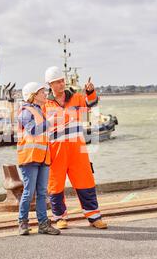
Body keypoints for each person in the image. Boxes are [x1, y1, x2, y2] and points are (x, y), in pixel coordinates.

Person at [42, 66, 108, 230]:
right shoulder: (45, 104)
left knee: (86, 182)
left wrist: (90, 92)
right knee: (55, 186)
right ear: (50, 84)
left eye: (62, 81)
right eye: (57, 82)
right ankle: (59, 218)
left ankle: (94, 217)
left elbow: (91, 103)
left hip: (77, 151)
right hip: (56, 152)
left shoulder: (77, 98)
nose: (61, 84)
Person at [17, 82, 61, 236]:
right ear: (33, 95)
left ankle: (43, 224)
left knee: (42, 192)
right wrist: (51, 122)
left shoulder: (39, 111)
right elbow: (33, 130)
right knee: (29, 193)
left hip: (42, 157)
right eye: (42, 92)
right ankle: (22, 223)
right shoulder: (26, 111)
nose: (45, 94)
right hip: (29, 158)